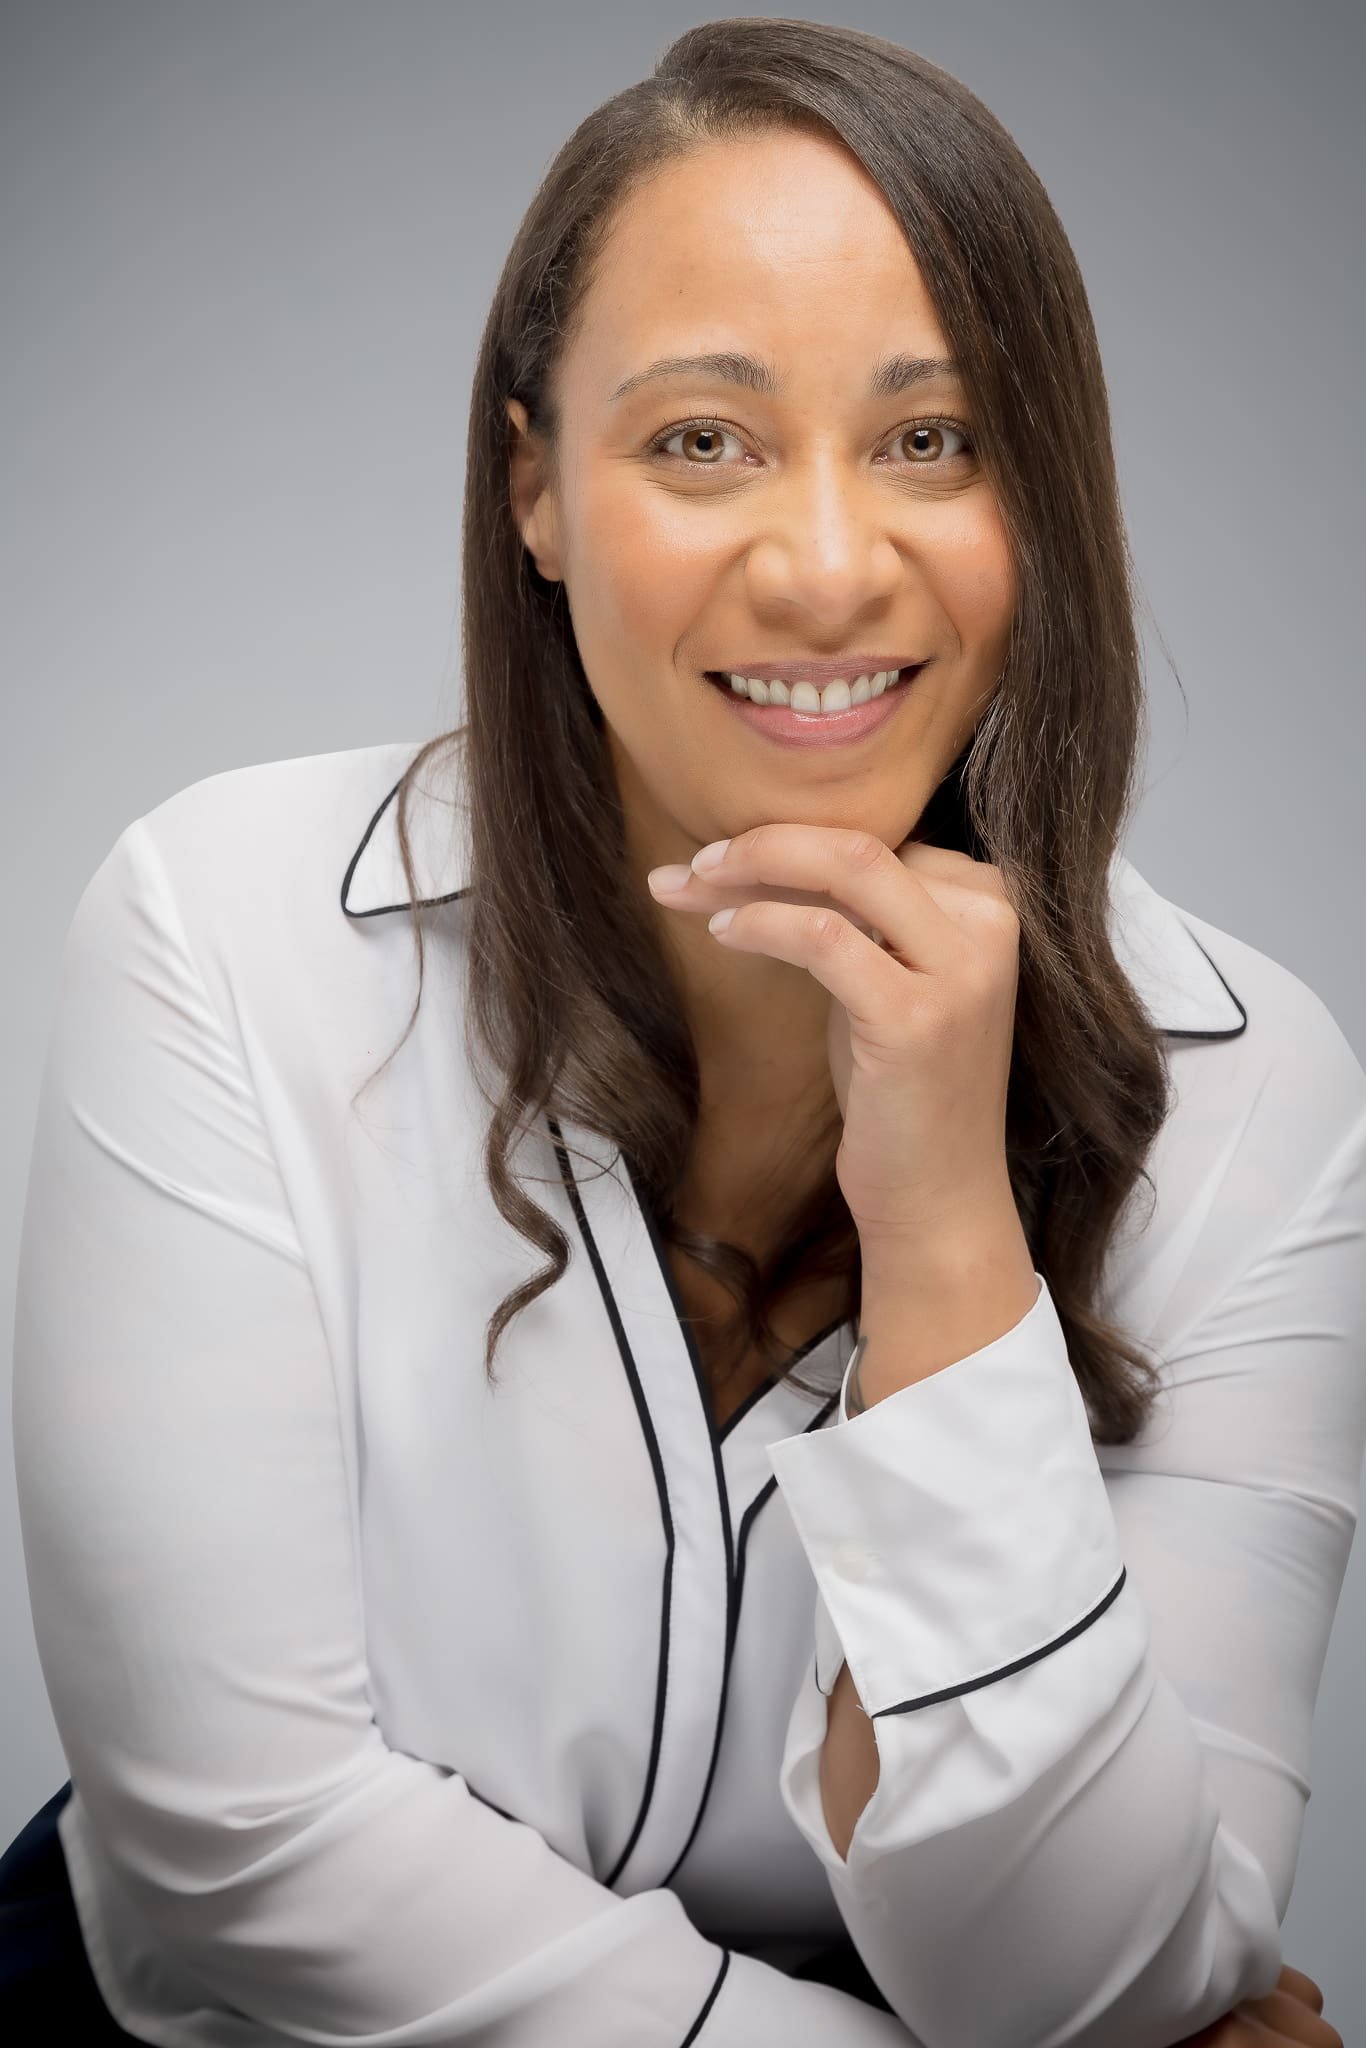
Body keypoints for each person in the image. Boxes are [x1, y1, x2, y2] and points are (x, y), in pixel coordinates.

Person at [5, 17, 1358, 2046]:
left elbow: (1082, 1977)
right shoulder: (226, 927)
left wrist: (944, 1236)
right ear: (533, 488)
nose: (825, 567)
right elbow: (243, 1853)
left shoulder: (1258, 1094)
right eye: (702, 439)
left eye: (931, 437)